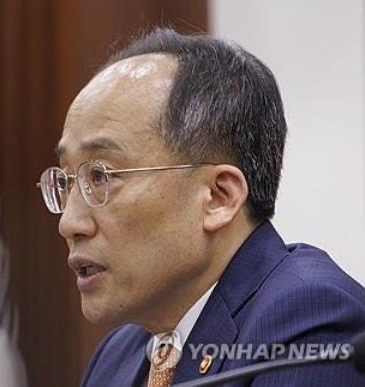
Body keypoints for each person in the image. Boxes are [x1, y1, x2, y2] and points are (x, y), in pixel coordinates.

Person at [37, 27, 365, 386]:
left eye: (100, 176)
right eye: (67, 181)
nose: (69, 223)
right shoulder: (118, 354)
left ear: (219, 197)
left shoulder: (310, 321)